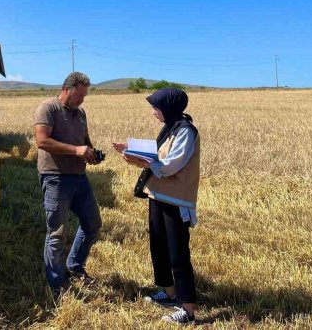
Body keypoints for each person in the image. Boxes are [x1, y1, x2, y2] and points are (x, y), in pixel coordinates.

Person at [113, 87, 200, 325]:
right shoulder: (170, 129)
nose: (153, 112)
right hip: (157, 197)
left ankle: (188, 309)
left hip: (176, 201)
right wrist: (130, 150)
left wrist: (142, 161)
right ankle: (170, 294)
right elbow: (155, 156)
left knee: (178, 254)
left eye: (156, 107)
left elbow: (171, 165)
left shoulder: (186, 132)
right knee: (159, 248)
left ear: (169, 108)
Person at [33, 71, 102, 301]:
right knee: (56, 233)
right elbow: (42, 141)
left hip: (79, 178)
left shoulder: (80, 113)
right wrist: (75, 151)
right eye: (79, 94)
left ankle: (74, 266)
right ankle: (57, 282)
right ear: (67, 89)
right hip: (55, 177)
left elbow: (84, 142)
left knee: (93, 224)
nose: (82, 99)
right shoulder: (48, 108)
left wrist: (92, 153)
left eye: (85, 95)